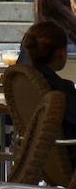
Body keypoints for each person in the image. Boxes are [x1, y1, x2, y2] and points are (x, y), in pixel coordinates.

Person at [20, 21, 76, 162]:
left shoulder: (26, 82)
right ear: (61, 54)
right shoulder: (59, 91)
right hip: (70, 156)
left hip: (43, 159)